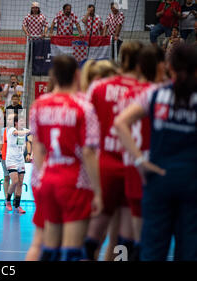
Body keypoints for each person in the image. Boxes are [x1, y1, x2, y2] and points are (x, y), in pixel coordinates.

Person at [114, 44, 196, 261]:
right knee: (189, 249)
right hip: (190, 181)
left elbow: (120, 122)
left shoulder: (155, 94)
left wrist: (140, 160)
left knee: (150, 248)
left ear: (170, 68)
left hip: (158, 179)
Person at [30, 55, 102, 261]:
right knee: (73, 250)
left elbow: (38, 146)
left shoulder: (40, 104)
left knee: (49, 249)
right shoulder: (84, 106)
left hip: (48, 179)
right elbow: (88, 152)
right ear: (77, 75)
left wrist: (42, 175)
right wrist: (98, 191)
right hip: (74, 182)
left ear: (53, 75)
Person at [84, 41, 144, 261]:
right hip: (132, 168)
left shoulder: (99, 87)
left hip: (103, 165)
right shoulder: (145, 91)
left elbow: (86, 128)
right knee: (122, 240)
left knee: (94, 235)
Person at [3, 113, 30, 214]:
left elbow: (29, 137)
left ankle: (17, 205)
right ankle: (8, 200)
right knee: (14, 181)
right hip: (11, 160)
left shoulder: (24, 130)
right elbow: (17, 133)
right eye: (21, 121)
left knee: (20, 183)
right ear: (16, 122)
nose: (23, 123)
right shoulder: (11, 130)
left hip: (20, 160)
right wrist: (29, 131)